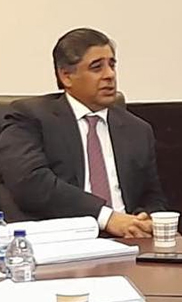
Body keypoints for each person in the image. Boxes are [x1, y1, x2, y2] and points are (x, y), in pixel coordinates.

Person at [0, 28, 168, 237]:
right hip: (63, 242)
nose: (110, 75)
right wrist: (107, 218)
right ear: (66, 76)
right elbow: (32, 185)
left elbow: (152, 196)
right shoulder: (30, 117)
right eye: (97, 67)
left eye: (112, 65)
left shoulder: (137, 129)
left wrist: (143, 220)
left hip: (128, 241)